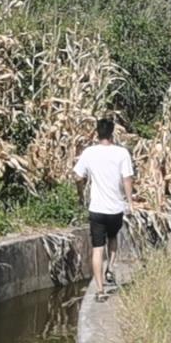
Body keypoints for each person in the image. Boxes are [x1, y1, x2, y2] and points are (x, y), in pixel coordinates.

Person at [72, 117, 134, 299]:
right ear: (113, 132)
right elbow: (127, 179)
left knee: (97, 248)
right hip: (115, 208)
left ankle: (99, 291)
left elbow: (76, 175)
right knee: (113, 237)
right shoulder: (121, 153)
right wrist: (130, 201)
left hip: (96, 208)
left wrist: (80, 190)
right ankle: (110, 268)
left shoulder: (89, 153)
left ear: (97, 132)